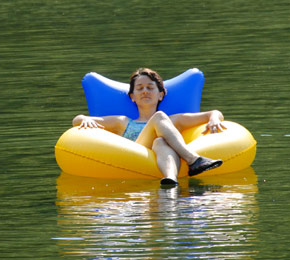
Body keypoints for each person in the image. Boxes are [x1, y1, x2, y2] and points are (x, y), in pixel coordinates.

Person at [72, 68, 224, 187]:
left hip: (161, 157)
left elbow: (213, 113)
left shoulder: (174, 120)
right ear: (132, 96)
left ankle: (170, 179)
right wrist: (83, 118)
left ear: (161, 95)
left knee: (160, 142)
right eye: (140, 88)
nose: (145, 91)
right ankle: (192, 160)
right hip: (136, 156)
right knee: (159, 117)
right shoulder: (122, 122)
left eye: (150, 88)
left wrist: (214, 118)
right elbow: (77, 120)